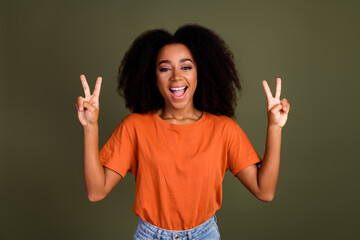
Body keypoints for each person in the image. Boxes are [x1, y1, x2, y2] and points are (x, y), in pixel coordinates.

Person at [75, 24, 290, 240]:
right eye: (165, 68)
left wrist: (274, 127)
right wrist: (90, 126)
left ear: (200, 72)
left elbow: (265, 191)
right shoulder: (134, 127)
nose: (176, 77)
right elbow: (96, 191)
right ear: (153, 77)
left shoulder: (224, 129)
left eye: (186, 67)